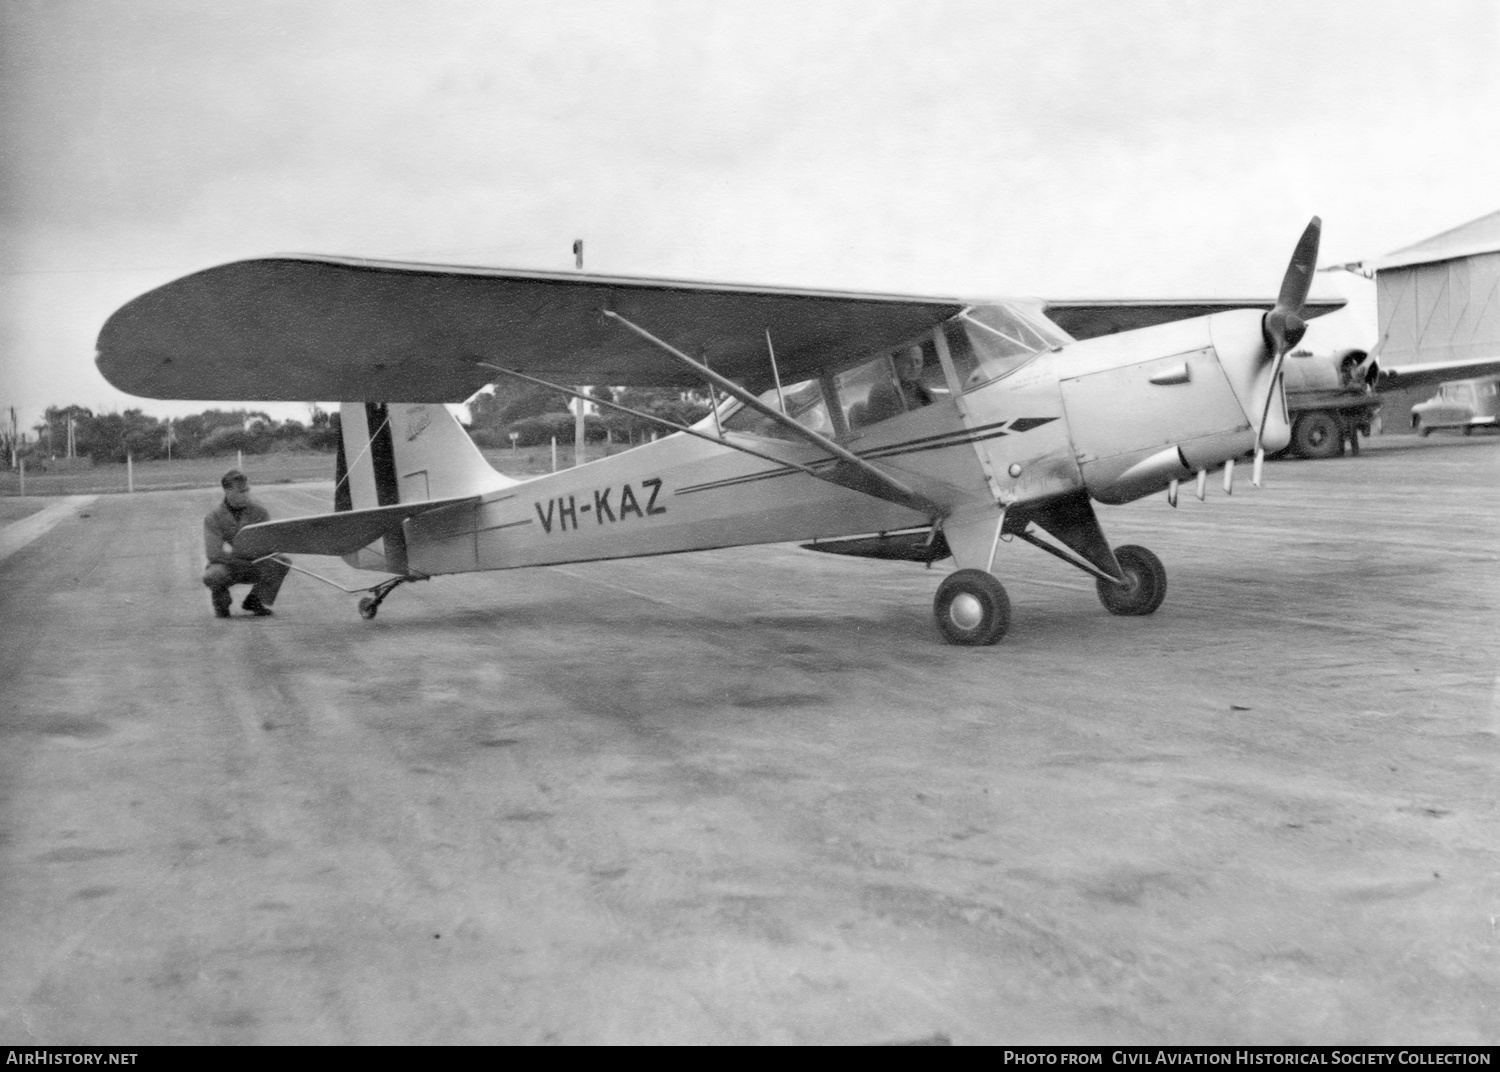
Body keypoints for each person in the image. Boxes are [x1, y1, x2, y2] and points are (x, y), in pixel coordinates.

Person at [202, 469, 289, 618]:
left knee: (282, 562)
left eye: (247, 490)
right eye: (241, 491)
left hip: (254, 562)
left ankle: (255, 600)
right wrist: (242, 562)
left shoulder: (260, 512)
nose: (246, 495)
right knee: (213, 575)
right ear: (228, 491)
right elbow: (213, 554)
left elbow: (268, 544)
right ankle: (221, 602)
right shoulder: (213, 517)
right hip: (232, 566)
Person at [861, 346, 935, 425]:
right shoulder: (882, 390)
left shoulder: (920, 386)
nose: (914, 366)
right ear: (894, 363)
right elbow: (898, 426)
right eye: (908, 362)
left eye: (918, 362)